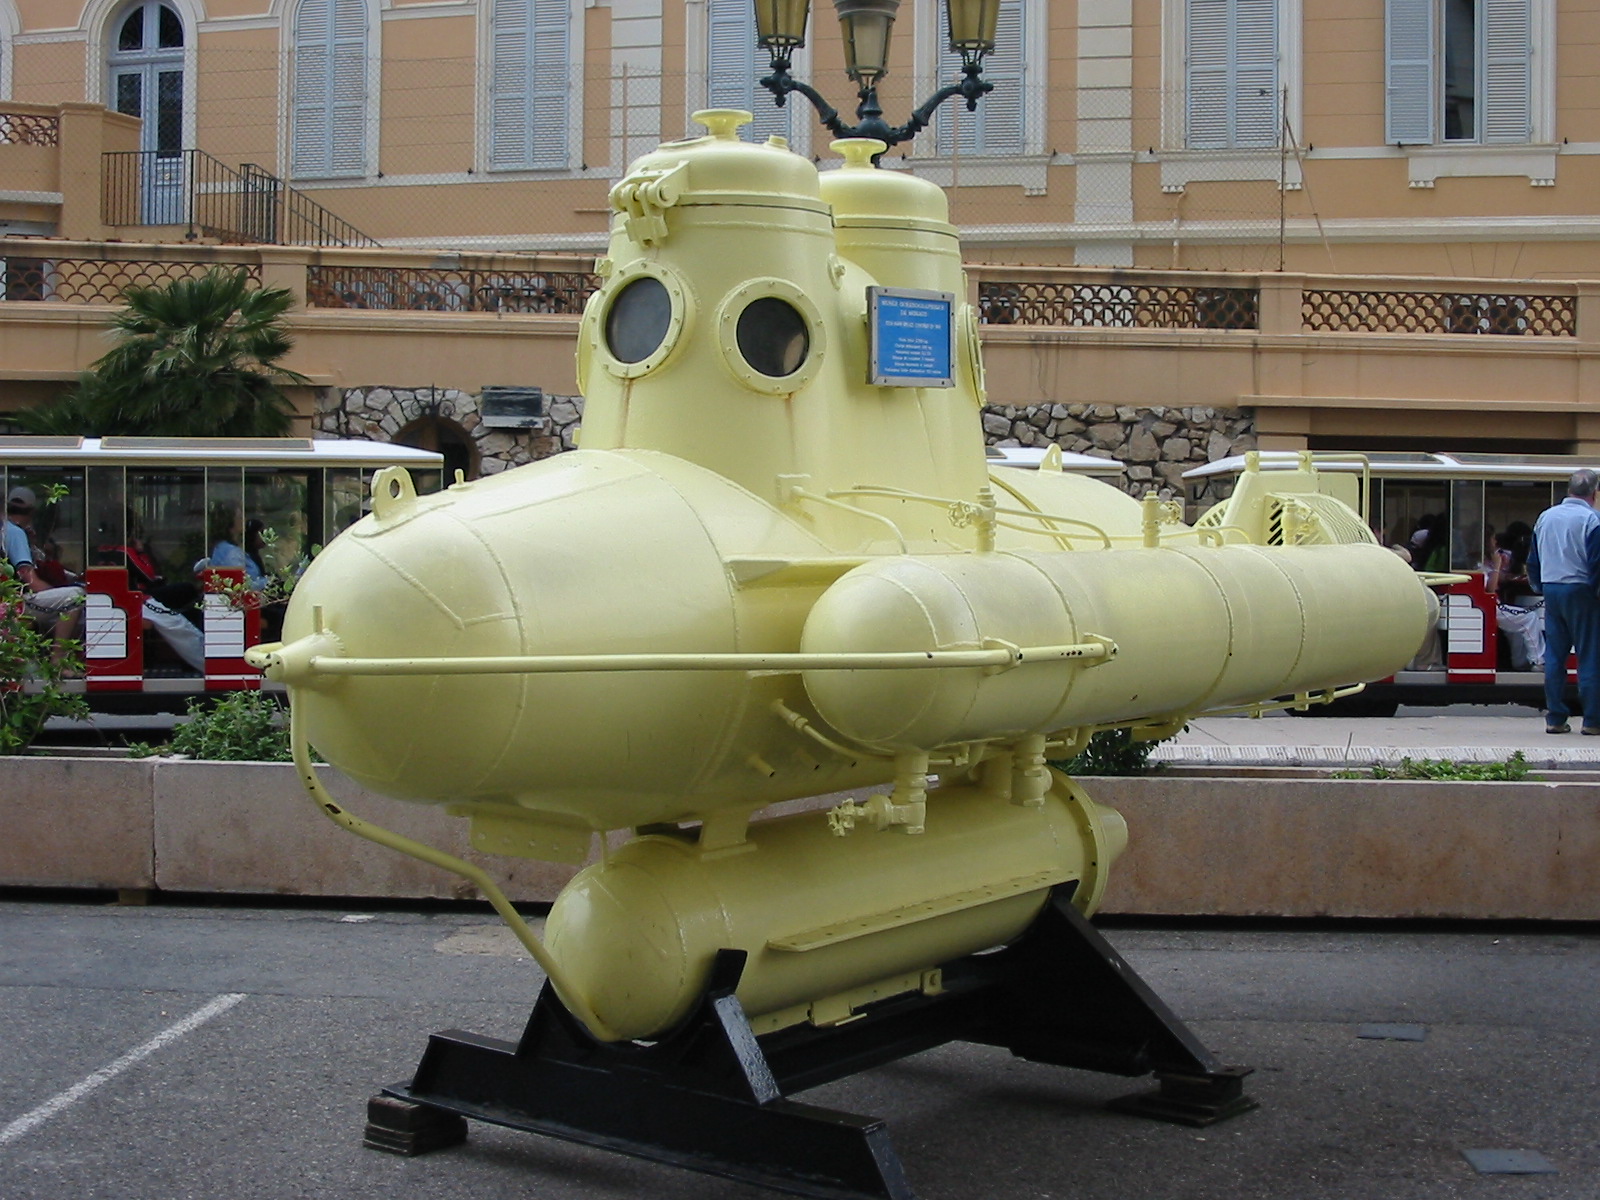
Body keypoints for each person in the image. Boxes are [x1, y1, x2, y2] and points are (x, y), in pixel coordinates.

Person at [1527, 470, 1600, 733]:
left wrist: (1539, 586)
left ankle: (1556, 717)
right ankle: (1593, 720)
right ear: (1594, 494)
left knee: (1555, 656)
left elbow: (1533, 559)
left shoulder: (1545, 517)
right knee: (1590, 656)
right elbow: (1596, 563)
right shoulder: (1592, 519)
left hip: (1551, 589)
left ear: (1569, 490)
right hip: (1582, 591)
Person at [3, 485, 85, 670]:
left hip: (11, 602)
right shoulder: (14, 532)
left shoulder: (10, 531)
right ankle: (58, 660)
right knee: (76, 597)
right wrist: (55, 593)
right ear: (32, 512)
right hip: (16, 603)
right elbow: (29, 578)